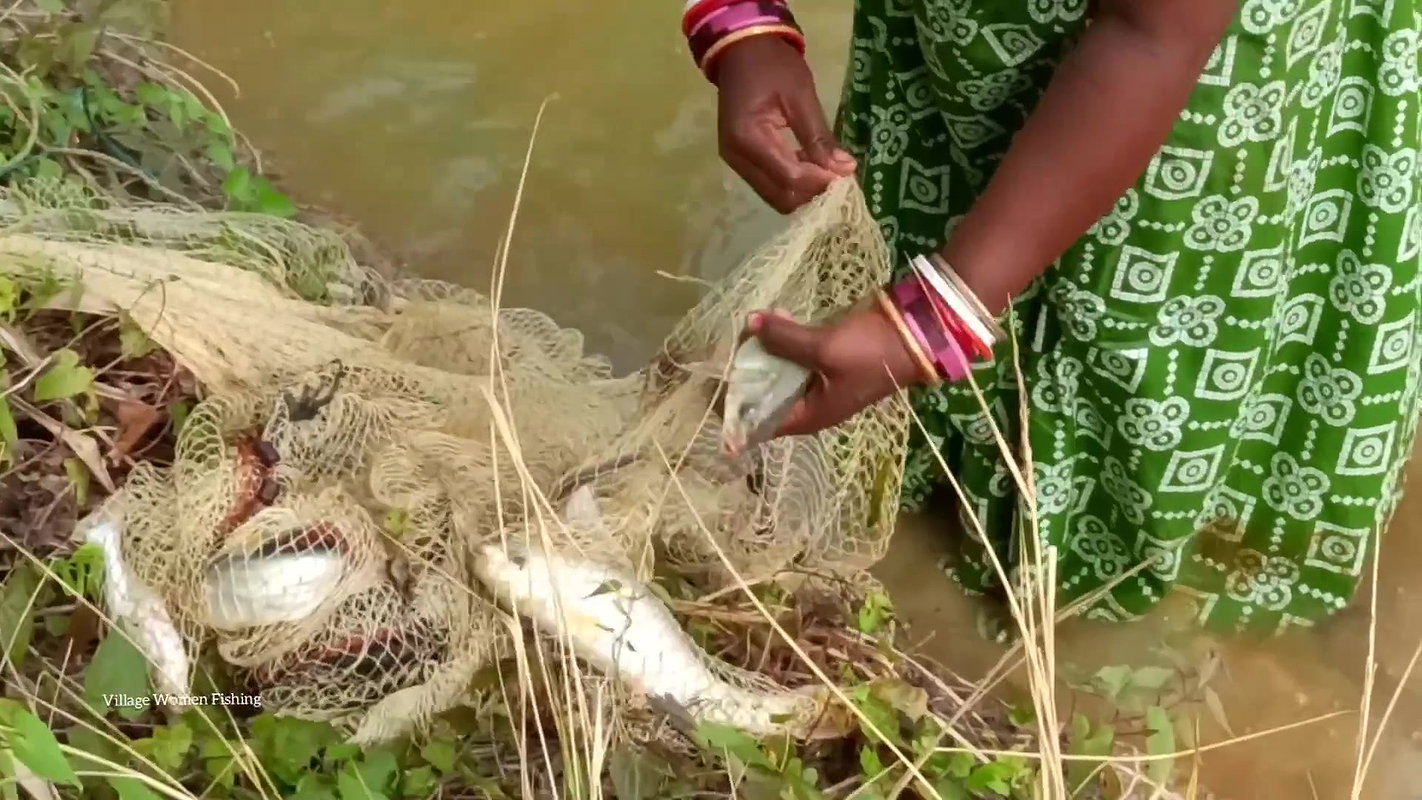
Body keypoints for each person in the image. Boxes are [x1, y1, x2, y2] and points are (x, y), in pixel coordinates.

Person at [681, 0, 1421, 634]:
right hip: (969, 47)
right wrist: (744, 23)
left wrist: (931, 319)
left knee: (1135, 375)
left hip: (1186, 78)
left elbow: (1153, 33)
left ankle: (1144, 636)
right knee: (928, 286)